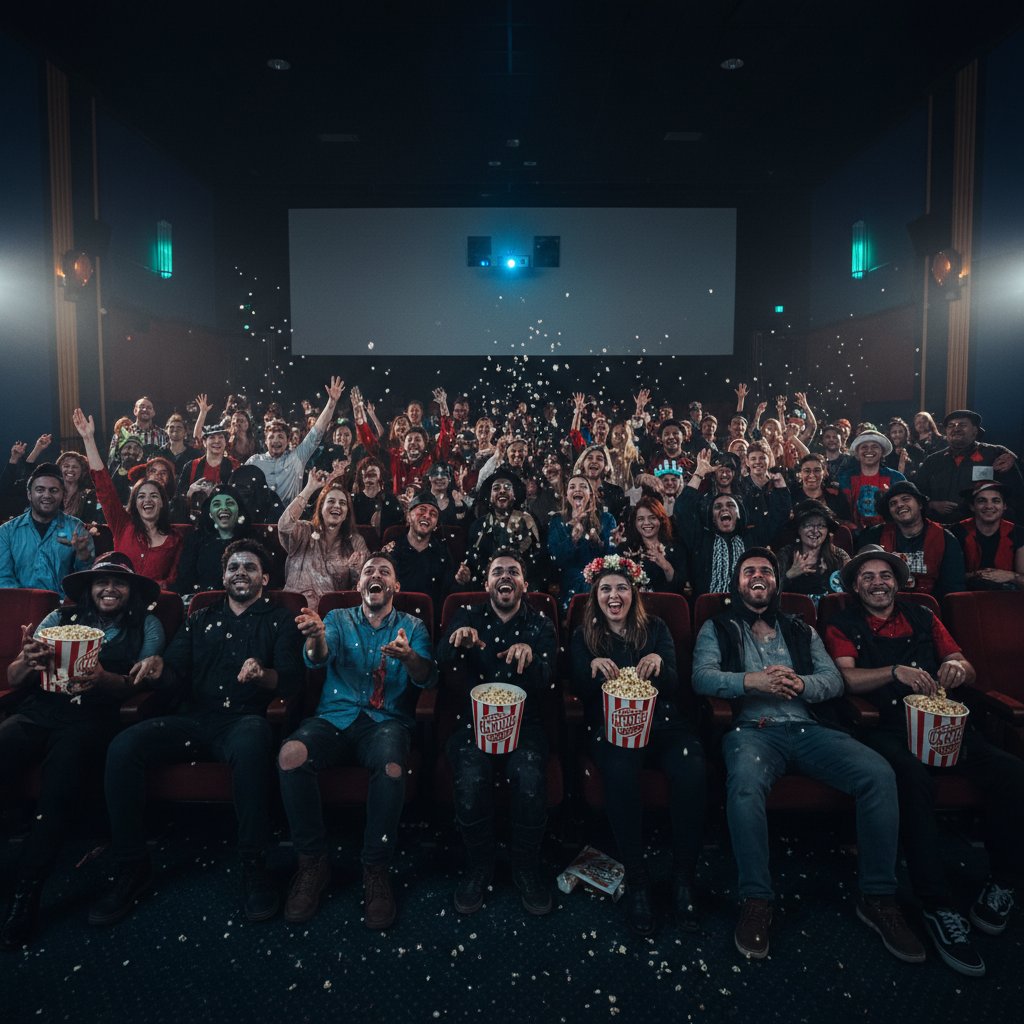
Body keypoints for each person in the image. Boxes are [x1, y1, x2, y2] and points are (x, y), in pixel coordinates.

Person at [692, 548, 922, 964]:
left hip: (810, 728)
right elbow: (702, 675)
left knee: (878, 773)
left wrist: (801, 685)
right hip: (752, 732)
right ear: (737, 582)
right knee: (744, 786)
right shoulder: (718, 626)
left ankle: (878, 897)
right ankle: (757, 899)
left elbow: (833, 680)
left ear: (778, 582)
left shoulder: (800, 628)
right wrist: (753, 681)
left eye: (766, 570)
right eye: (749, 572)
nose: (758, 576)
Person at [825, 546, 1024, 977]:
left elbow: (962, 663)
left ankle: (1002, 882)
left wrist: (957, 669)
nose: (878, 583)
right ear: (855, 586)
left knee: (1012, 773)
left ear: (897, 582)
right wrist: (894, 672)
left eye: (885, 576)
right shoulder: (843, 622)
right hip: (888, 727)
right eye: (868, 577)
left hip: (944, 722)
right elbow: (845, 678)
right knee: (912, 781)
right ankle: (936, 904)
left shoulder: (924, 616)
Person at [89, 540, 303, 926]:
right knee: (124, 746)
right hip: (194, 717)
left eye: (250, 567)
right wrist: (156, 667)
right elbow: (172, 674)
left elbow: (288, 680)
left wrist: (262, 674)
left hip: (243, 718)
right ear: (223, 576)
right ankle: (132, 864)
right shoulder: (201, 616)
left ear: (265, 578)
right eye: (234, 567)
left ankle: (254, 863)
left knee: (253, 740)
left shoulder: (279, 619)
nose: (240, 572)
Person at [0, 553, 165, 949]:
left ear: (131, 591)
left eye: (119, 583)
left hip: (92, 718)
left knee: (57, 788)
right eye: (101, 582)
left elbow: (140, 681)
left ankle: (27, 893)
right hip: (39, 709)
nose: (109, 589)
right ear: (89, 589)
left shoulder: (147, 623)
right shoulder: (59, 619)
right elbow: (14, 675)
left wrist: (107, 680)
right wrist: (28, 661)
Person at [281, 553, 436, 928]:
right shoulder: (336, 618)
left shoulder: (413, 625)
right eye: (369, 571)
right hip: (335, 717)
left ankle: (375, 868)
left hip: (386, 722)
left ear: (396, 586)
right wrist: (317, 637)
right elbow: (317, 658)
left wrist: (410, 656)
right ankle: (313, 864)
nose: (376, 575)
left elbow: (426, 678)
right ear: (360, 585)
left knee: (393, 767)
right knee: (290, 755)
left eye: (385, 571)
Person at [570, 554, 706, 935]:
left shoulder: (656, 628)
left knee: (691, 763)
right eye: (606, 589)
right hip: (611, 727)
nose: (614, 596)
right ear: (595, 595)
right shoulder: (584, 636)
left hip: (662, 723)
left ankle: (683, 877)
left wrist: (660, 665)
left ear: (634, 593)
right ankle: (638, 877)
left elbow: (677, 684)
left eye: (622, 588)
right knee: (619, 768)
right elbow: (577, 687)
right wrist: (590, 670)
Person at [438, 551, 557, 915]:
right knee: (471, 777)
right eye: (497, 571)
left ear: (524, 584)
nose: (505, 577)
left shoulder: (540, 623)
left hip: (526, 726)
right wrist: (458, 640)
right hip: (472, 724)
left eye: (514, 572)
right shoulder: (468, 614)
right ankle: (479, 864)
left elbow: (551, 679)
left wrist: (532, 657)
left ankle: (525, 866)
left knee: (530, 776)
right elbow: (441, 662)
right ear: (487, 582)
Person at [74, 408, 183, 590]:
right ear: (134, 502)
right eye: (141, 496)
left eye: (154, 495)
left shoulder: (175, 539)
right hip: (117, 604)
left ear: (163, 502)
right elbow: (104, 488)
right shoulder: (123, 526)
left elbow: (172, 583)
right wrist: (88, 439)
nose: (147, 500)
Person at [676, 448, 791, 597]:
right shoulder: (700, 539)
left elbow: (779, 517)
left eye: (731, 505)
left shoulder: (752, 538)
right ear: (711, 517)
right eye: (718, 507)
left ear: (739, 514)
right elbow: (682, 510)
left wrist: (781, 487)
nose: (724, 509)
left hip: (746, 607)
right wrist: (699, 473)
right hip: (708, 608)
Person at [914, 410, 1024, 526]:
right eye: (951, 426)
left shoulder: (996, 454)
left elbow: (1016, 495)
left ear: (975, 431)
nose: (956, 428)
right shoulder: (932, 461)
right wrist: (932, 504)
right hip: (941, 530)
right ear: (946, 432)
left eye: (963, 425)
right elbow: (918, 493)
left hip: (982, 531)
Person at [279, 472, 369, 611]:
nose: (337, 506)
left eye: (343, 503)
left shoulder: (356, 541)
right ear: (320, 508)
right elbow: (284, 526)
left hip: (329, 617)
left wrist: (357, 569)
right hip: (292, 610)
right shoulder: (304, 530)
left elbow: (363, 585)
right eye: (331, 501)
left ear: (347, 513)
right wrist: (309, 488)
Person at [0, 462, 94, 595]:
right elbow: (3, 577)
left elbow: (86, 579)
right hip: (19, 607)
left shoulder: (76, 528)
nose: (47, 495)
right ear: (29, 494)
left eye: (53, 490)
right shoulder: (6, 532)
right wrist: (26, 603)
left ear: (62, 494)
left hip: (62, 608)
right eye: (40, 490)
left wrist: (84, 557)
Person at [246, 377, 345, 503]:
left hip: (290, 520)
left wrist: (331, 404)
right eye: (271, 437)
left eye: (281, 437)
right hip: (261, 522)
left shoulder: (297, 458)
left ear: (288, 441)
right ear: (265, 441)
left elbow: (316, 432)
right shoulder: (254, 461)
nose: (276, 441)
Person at [859, 481, 966, 598]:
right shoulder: (874, 535)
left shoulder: (946, 539)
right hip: (885, 605)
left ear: (920, 504)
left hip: (931, 607)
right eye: (893, 503)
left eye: (905, 499)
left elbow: (953, 588)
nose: (899, 505)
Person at [547, 474, 615, 613]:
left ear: (590, 494)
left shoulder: (606, 519)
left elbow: (612, 559)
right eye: (572, 487)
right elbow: (554, 559)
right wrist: (572, 539)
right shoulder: (557, 520)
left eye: (583, 486)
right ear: (567, 495)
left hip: (600, 584)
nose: (577, 489)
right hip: (569, 587)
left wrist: (598, 542)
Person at [173, 483, 253, 597]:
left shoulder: (253, 541)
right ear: (210, 513)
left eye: (229, 503)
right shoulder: (195, 540)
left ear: (239, 511)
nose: (223, 508)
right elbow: (184, 581)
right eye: (217, 504)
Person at [464, 471, 542, 586]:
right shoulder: (478, 526)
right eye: (496, 488)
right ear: (489, 497)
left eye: (507, 487)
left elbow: (537, 558)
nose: (502, 491)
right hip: (485, 587)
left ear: (514, 494)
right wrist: (465, 574)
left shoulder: (527, 521)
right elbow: (472, 561)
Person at [952, 481, 1024, 590]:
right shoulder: (957, 532)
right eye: (982, 501)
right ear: (972, 506)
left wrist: (1010, 576)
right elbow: (948, 577)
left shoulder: (1018, 533)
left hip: (1008, 598)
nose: (989, 506)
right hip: (966, 597)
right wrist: (976, 575)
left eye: (996, 501)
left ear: (1004, 506)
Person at [776, 500, 850, 604]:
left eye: (821, 526)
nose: (815, 531)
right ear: (798, 529)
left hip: (832, 617)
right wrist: (790, 574)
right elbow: (770, 592)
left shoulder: (839, 556)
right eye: (808, 525)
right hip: (793, 616)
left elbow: (853, 590)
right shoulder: (785, 554)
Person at [838, 429, 906, 534]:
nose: (869, 450)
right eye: (864, 447)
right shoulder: (844, 478)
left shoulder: (896, 478)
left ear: (882, 452)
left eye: (875, 446)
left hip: (890, 535)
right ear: (857, 453)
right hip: (854, 538)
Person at [617, 496, 689, 594]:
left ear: (661, 520)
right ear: (635, 522)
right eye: (640, 519)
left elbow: (679, 588)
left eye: (652, 518)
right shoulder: (626, 549)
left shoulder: (676, 548)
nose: (646, 523)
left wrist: (666, 566)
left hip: (666, 605)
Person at [351, 455, 404, 534]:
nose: (369, 479)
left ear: (380, 476)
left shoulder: (390, 499)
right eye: (365, 476)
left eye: (372, 475)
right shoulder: (356, 500)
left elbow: (397, 528)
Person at [106, 396, 168, 464]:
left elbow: (168, 461)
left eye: (149, 408)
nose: (145, 409)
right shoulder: (122, 433)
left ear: (153, 413)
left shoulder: (163, 434)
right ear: (135, 411)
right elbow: (112, 461)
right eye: (142, 406)